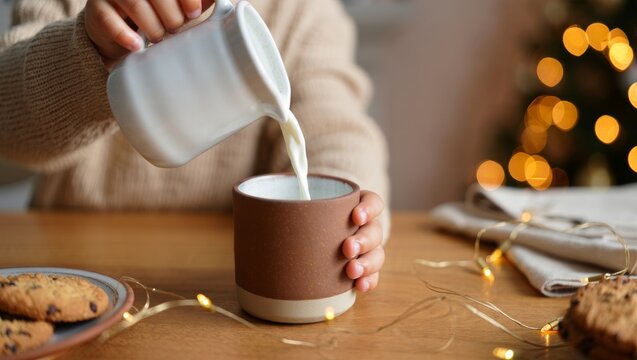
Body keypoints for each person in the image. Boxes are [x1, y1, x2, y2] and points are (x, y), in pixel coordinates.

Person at [0, 0, 390, 293]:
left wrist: (350, 216)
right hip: (70, 271)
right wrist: (87, 51)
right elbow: (8, 125)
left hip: (213, 288)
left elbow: (336, 130)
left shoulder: (302, 12)